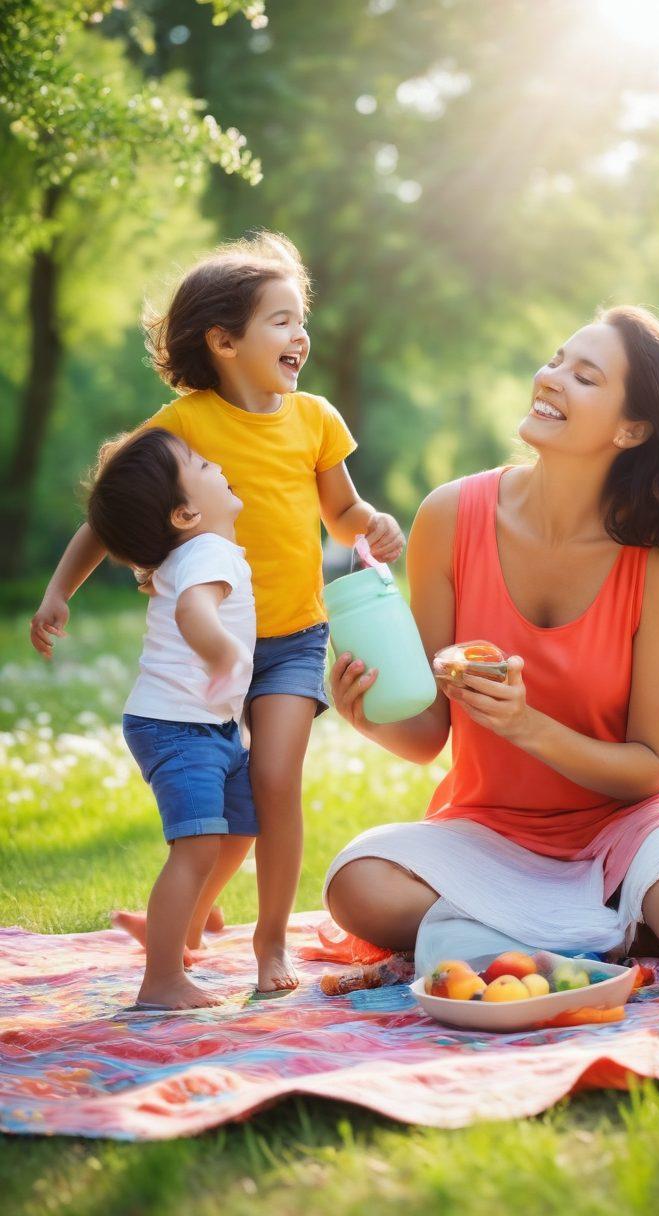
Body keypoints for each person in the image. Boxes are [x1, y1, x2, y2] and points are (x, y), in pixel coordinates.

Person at [325, 306, 659, 981]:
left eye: (584, 375)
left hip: (639, 817)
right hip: (498, 830)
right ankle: (626, 926)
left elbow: (650, 765)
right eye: (557, 359)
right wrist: (369, 712)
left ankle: (607, 922)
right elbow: (428, 735)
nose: (551, 377)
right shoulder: (450, 516)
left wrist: (524, 724)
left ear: (632, 427)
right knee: (356, 884)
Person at [30, 233, 404, 992]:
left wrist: (373, 525)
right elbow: (111, 511)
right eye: (280, 320)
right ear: (224, 340)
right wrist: (59, 590)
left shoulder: (316, 420)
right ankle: (192, 916)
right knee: (227, 795)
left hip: (294, 637)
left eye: (301, 320)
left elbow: (341, 514)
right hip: (212, 650)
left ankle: (270, 943)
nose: (299, 335)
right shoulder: (184, 427)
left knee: (274, 778)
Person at [87, 428, 257, 1009]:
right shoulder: (207, 553)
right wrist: (225, 652)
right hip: (178, 727)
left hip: (205, 726)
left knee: (238, 828)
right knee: (198, 844)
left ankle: (180, 927)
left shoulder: (197, 551)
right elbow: (194, 610)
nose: (218, 464)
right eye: (203, 464)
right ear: (185, 513)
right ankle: (161, 979)